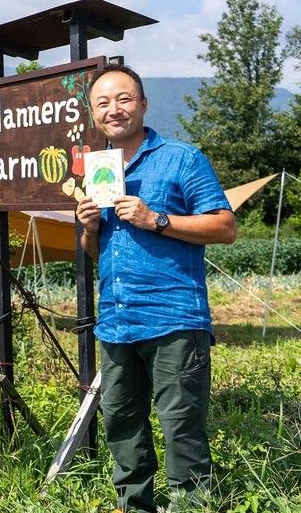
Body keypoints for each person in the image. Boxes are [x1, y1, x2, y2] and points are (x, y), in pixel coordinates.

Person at [76, 64, 237, 512]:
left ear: (143, 104)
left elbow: (225, 227)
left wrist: (156, 219)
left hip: (173, 319)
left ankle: (192, 506)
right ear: (93, 114)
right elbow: (98, 253)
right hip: (115, 322)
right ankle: (135, 506)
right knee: (123, 428)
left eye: (124, 99)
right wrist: (89, 229)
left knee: (182, 429)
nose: (114, 109)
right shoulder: (99, 169)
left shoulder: (182, 158)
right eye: (103, 103)